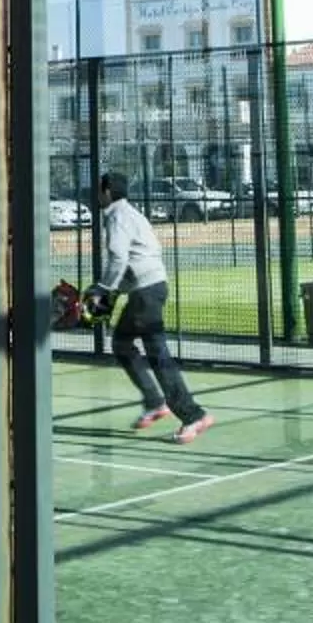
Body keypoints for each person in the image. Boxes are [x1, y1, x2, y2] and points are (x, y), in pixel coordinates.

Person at [94, 173, 211, 442]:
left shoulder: (116, 216)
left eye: (100, 191)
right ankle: (155, 402)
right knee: (122, 343)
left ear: (107, 192)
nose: (98, 195)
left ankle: (193, 415)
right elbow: (140, 258)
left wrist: (103, 289)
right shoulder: (131, 214)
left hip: (146, 293)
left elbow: (118, 257)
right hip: (151, 288)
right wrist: (113, 291)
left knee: (158, 354)